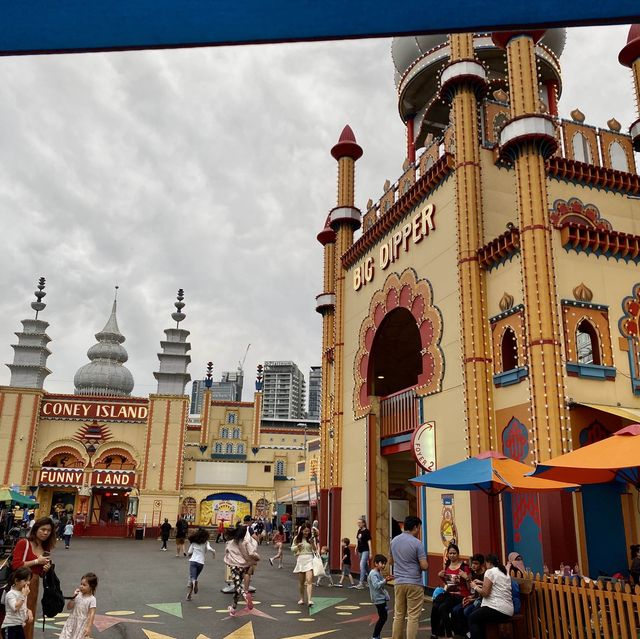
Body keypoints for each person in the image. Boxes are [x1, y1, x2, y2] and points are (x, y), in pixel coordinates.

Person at [11, 516, 55, 639]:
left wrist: (45, 569)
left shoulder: (45, 548)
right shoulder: (23, 543)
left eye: (49, 531)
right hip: (19, 586)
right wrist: (36, 561)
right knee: (15, 616)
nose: (45, 533)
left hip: (33, 587)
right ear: (36, 529)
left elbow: (39, 572)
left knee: (29, 617)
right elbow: (16, 565)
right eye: (43, 529)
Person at [390, 515, 428, 639]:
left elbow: (391, 561)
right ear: (415, 527)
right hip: (414, 583)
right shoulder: (417, 543)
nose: (419, 531)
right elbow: (424, 566)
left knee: (399, 614)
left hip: (399, 582)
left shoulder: (394, 541)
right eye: (419, 528)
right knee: (412, 616)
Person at [467, 554, 514, 639]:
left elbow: (485, 593)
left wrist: (474, 586)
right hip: (508, 609)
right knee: (479, 618)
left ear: (488, 563)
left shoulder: (490, 571)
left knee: (472, 618)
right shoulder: (503, 571)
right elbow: (497, 585)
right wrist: (481, 583)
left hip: (497, 608)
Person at [431, 542, 471, 638]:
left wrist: (466, 578)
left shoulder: (464, 567)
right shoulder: (447, 566)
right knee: (435, 605)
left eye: (454, 553)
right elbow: (448, 583)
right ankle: (436, 633)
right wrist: (441, 577)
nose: (452, 555)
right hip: (449, 594)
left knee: (443, 608)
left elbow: (470, 587)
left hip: (460, 595)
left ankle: (449, 635)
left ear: (458, 554)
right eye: (450, 553)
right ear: (447, 554)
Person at [224, 525, 257, 616]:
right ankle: (233, 608)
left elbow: (227, 552)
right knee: (237, 588)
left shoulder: (231, 542)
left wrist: (228, 561)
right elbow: (251, 552)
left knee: (238, 587)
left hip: (235, 566)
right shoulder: (245, 542)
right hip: (244, 566)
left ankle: (245, 595)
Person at [451, 553, 485, 637]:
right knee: (456, 610)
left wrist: (467, 578)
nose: (473, 566)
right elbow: (471, 590)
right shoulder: (473, 573)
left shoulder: (485, 575)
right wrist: (469, 597)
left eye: (476, 564)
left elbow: (483, 594)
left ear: (481, 564)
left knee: (466, 611)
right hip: (474, 598)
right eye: (473, 563)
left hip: (481, 600)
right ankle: (462, 633)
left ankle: (470, 633)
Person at [59, 572, 98, 639]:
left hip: (81, 624)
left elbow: (92, 614)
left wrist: (89, 627)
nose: (81, 586)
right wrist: (73, 598)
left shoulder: (92, 599)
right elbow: (69, 607)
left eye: (84, 585)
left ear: (91, 587)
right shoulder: (78, 595)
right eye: (81, 584)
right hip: (71, 621)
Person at [1, 566, 33, 639]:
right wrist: (24, 595)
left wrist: (28, 611)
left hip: (19, 625)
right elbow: (15, 607)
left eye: (29, 580)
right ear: (16, 581)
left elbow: (22, 607)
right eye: (25, 580)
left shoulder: (22, 593)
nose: (28, 583)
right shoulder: (11, 594)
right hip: (9, 626)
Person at [186, 527, 216, 600]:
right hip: (201, 562)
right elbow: (209, 549)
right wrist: (214, 553)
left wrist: (190, 555)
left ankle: (192, 585)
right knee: (195, 577)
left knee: (192, 577)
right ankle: (189, 595)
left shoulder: (193, 543)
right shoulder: (206, 542)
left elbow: (189, 552)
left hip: (193, 561)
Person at [291, 523, 317, 607]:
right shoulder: (297, 539)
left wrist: (312, 543)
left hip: (309, 558)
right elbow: (292, 549)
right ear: (302, 531)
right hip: (301, 559)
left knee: (309, 580)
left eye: (308, 531)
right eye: (305, 531)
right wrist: (297, 547)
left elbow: (315, 550)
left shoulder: (311, 539)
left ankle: (309, 600)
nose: (306, 533)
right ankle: (302, 598)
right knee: (301, 582)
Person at [368, 554, 392, 639]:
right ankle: (375, 635)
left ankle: (376, 635)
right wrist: (385, 580)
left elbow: (380, 583)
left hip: (381, 598)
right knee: (383, 618)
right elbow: (376, 585)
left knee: (383, 617)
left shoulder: (378, 572)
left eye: (385, 563)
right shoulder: (374, 574)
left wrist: (386, 579)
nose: (384, 565)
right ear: (376, 563)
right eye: (382, 563)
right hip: (378, 599)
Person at [356, 518, 372, 589]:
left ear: (363, 523)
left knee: (362, 565)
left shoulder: (367, 531)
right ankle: (372, 580)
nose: (358, 524)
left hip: (365, 550)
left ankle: (361, 583)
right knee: (366, 567)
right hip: (360, 550)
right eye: (358, 523)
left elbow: (369, 541)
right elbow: (358, 540)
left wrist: (370, 552)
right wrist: (356, 547)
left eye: (360, 523)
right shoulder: (359, 531)